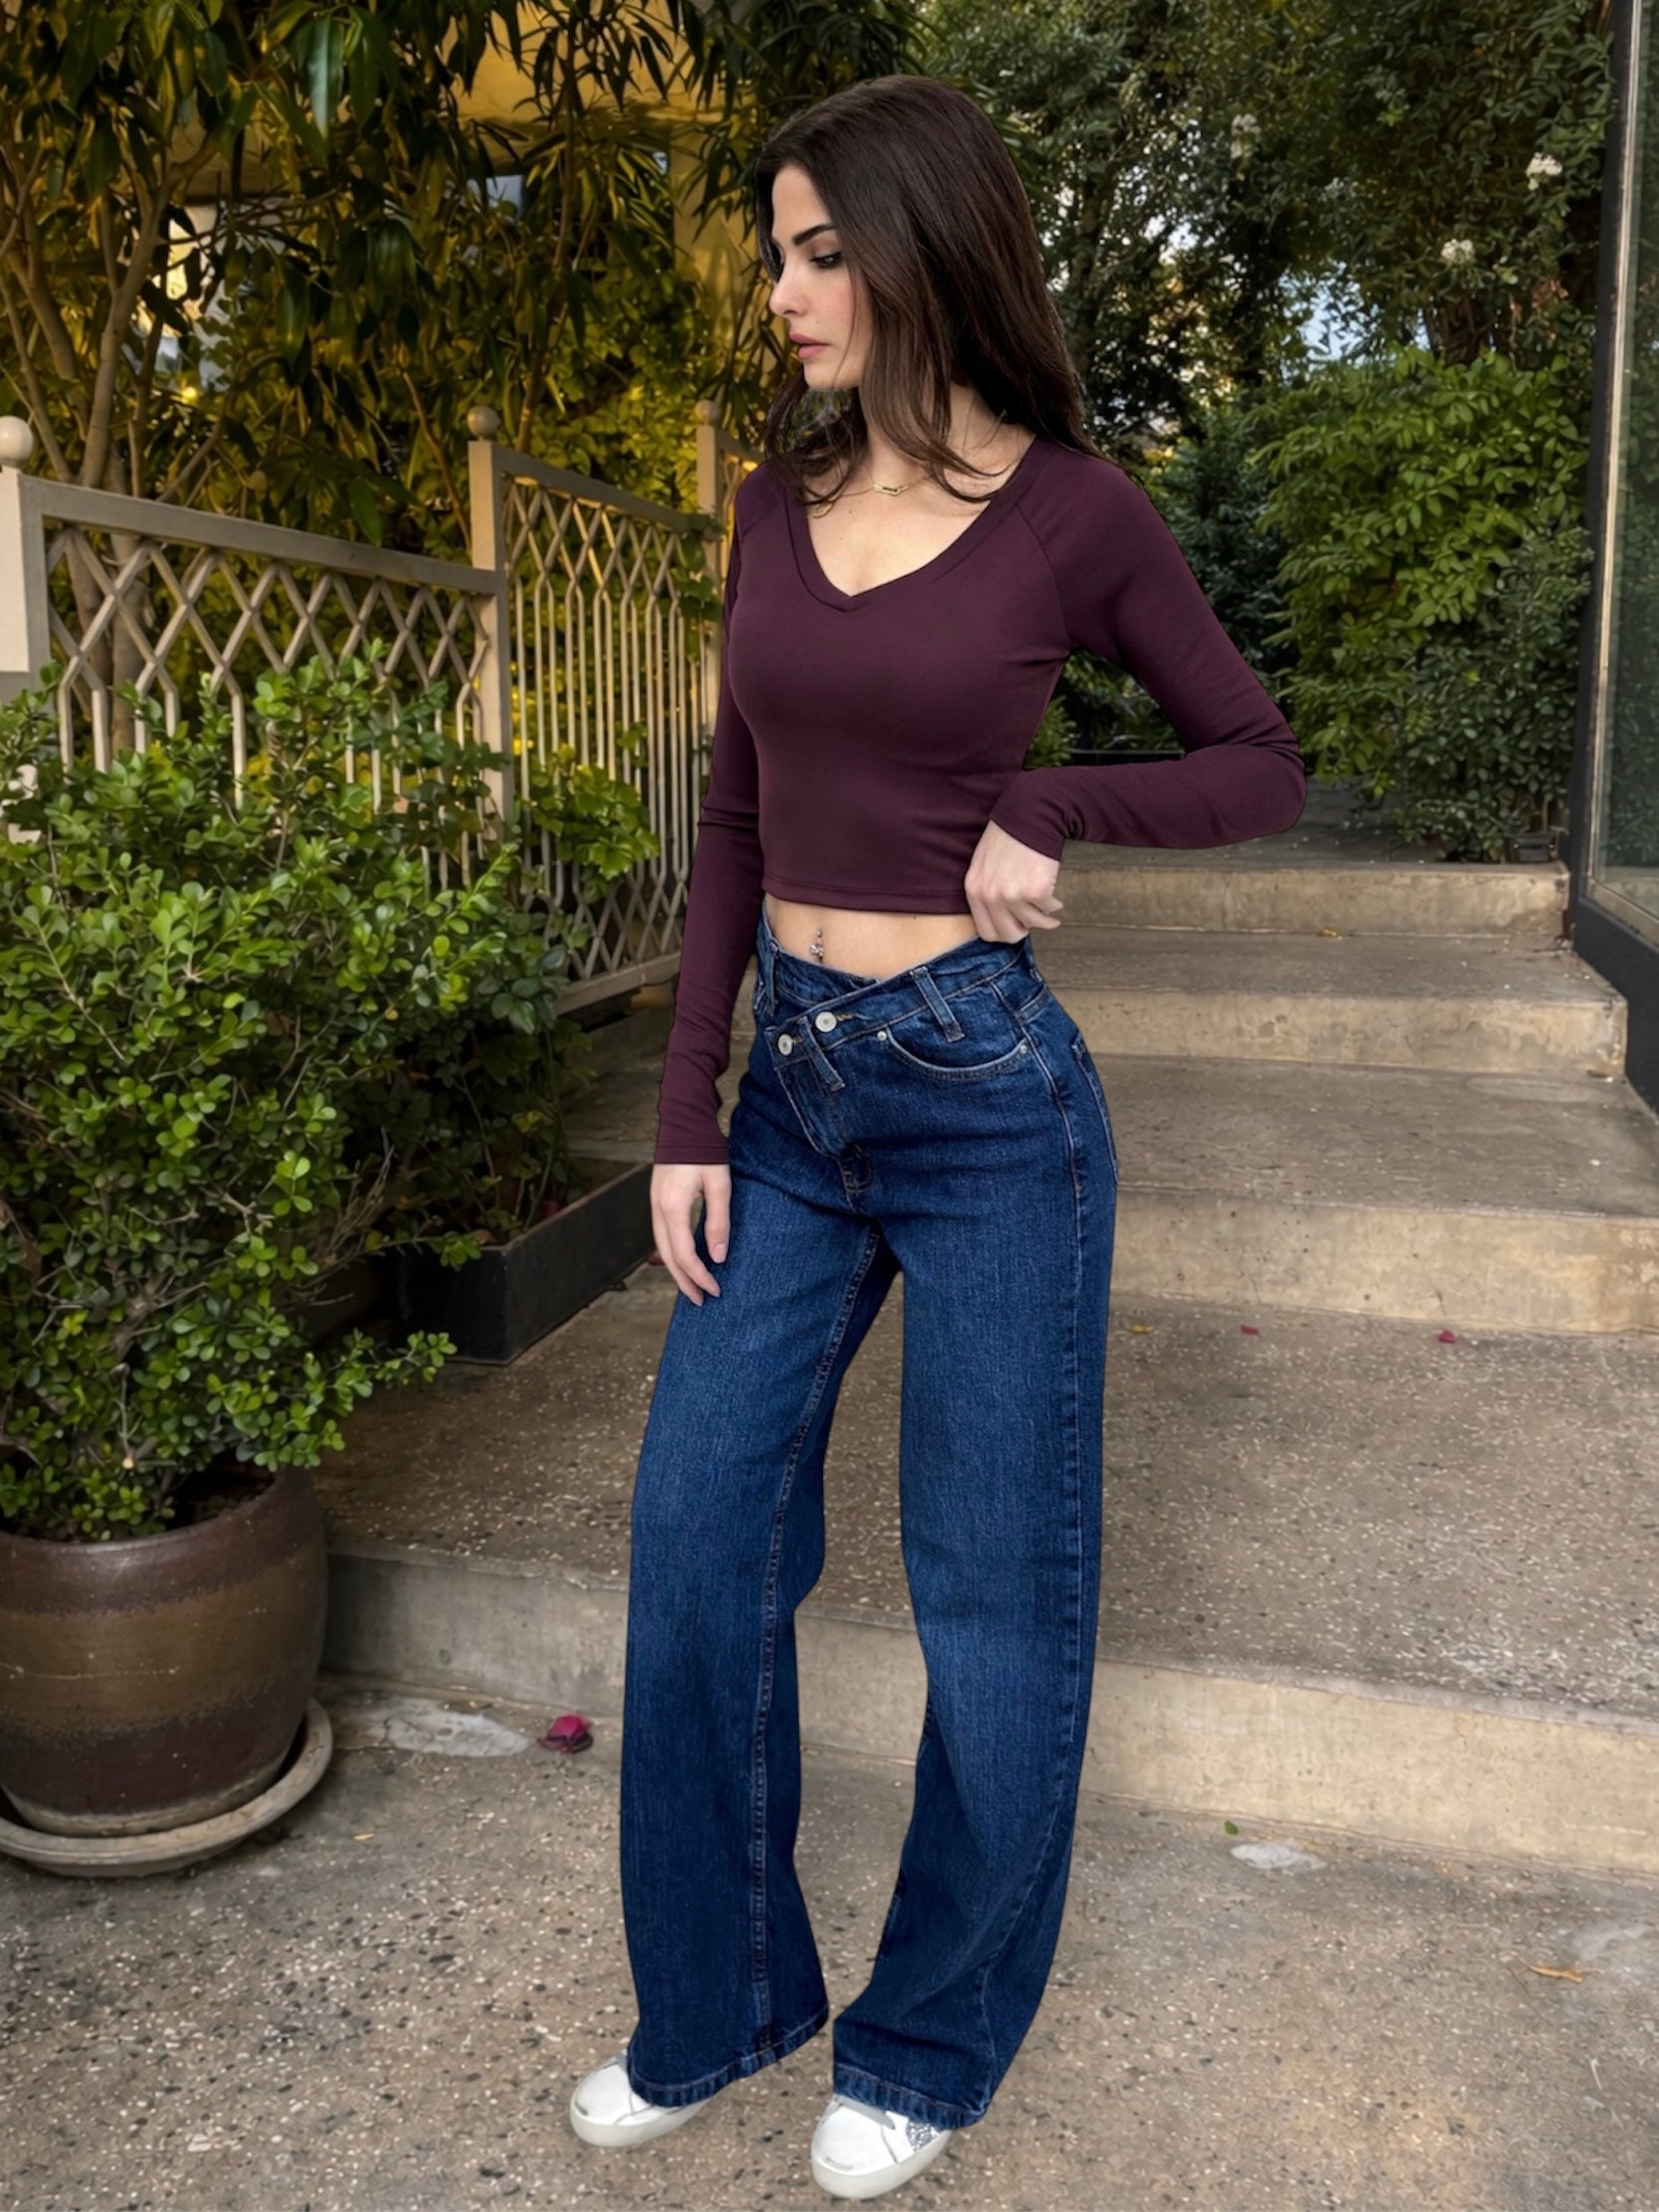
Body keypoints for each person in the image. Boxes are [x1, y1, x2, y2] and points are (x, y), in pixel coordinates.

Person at [568, 72, 1306, 2201]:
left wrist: (1056, 804)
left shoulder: (1075, 514)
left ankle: (928, 2032)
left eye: (819, 247)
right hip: (785, 1100)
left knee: (993, 1593)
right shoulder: (765, 505)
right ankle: (722, 1996)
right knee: (700, 1536)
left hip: (985, 1101)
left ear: (920, 248)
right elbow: (732, 818)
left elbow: (1255, 756)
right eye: (774, 248)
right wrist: (685, 1101)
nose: (784, 288)